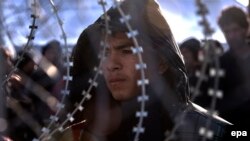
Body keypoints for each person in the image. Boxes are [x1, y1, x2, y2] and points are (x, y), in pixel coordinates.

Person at [67, 0, 231, 141]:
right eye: (105, 53)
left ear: (161, 62)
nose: (111, 64)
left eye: (127, 51)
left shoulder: (212, 133)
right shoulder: (81, 135)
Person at [217, 6, 250, 136]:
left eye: (235, 30)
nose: (231, 36)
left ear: (245, 29)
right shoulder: (220, 64)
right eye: (227, 32)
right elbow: (219, 104)